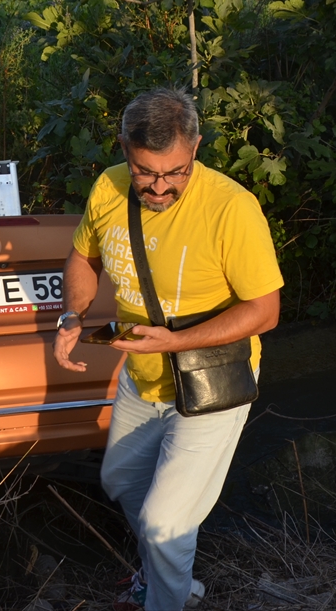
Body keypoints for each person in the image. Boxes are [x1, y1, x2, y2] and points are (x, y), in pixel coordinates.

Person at [52, 88, 283, 611]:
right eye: (145, 172)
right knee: (121, 479)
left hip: (212, 382)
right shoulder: (109, 189)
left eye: (174, 172)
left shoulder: (232, 209)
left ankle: (166, 597)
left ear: (196, 148)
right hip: (142, 376)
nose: (160, 188)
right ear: (124, 151)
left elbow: (265, 312)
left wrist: (177, 340)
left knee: (163, 522)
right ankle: (170, 574)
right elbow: (82, 259)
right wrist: (72, 316)